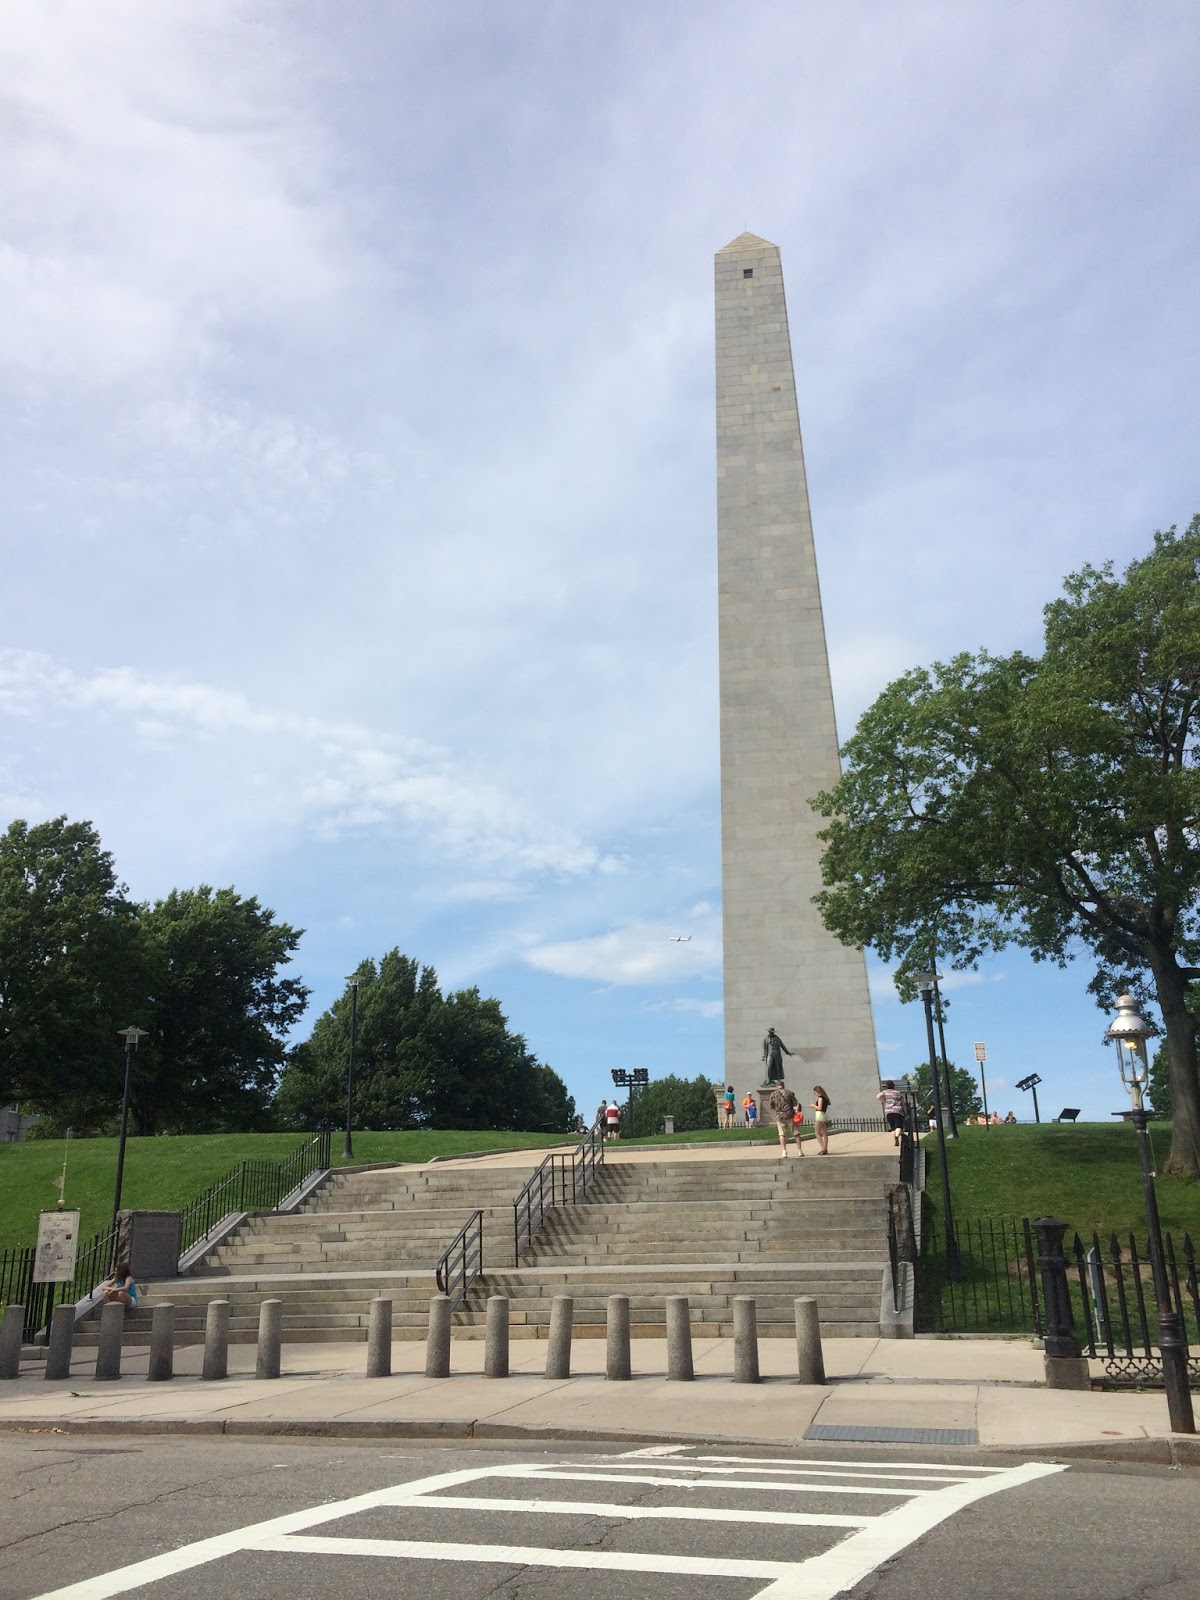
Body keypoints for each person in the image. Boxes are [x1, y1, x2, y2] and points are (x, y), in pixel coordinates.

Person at [766, 1083, 803, 1158]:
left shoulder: (773, 1094)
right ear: (783, 1086)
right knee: (796, 1133)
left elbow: (771, 1105)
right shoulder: (789, 1093)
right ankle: (799, 1150)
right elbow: (795, 1103)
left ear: (777, 1086)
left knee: (782, 1134)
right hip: (790, 1115)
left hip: (779, 1116)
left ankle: (784, 1151)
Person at [876, 1079, 906, 1146]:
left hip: (889, 1111)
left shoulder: (885, 1092)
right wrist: (905, 1112)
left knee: (893, 1128)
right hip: (898, 1111)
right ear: (893, 1086)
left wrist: (885, 1102)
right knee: (898, 1127)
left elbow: (878, 1096)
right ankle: (897, 1136)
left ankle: (895, 1137)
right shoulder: (897, 1093)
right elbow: (903, 1104)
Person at [811, 1085, 831, 1154]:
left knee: (817, 1133)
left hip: (819, 1115)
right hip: (824, 1115)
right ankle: (825, 1148)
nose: (815, 1094)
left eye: (815, 1092)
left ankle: (823, 1148)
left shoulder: (820, 1098)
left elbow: (819, 1108)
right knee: (824, 1133)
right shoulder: (825, 1098)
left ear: (817, 1092)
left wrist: (813, 1106)